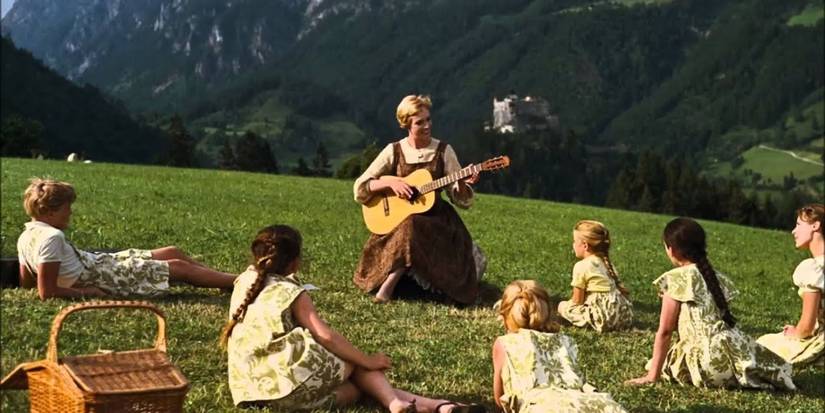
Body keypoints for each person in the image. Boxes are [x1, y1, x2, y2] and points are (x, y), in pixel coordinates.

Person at [222, 224, 485, 412]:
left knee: (356, 390)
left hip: (251, 391)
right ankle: (404, 404)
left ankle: (435, 406)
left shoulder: (244, 281)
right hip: (287, 384)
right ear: (294, 262)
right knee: (355, 364)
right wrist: (368, 360)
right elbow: (326, 336)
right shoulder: (292, 292)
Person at [625, 217, 795, 390]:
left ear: (672, 250)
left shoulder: (676, 279)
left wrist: (652, 375)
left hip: (706, 363)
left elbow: (666, 331)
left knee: (656, 363)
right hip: (732, 352)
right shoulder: (715, 277)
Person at [16, 178, 237, 300]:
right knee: (178, 267)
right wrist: (88, 292)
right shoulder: (52, 237)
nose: (70, 213)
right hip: (102, 276)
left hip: (97, 263)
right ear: (50, 212)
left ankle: (220, 280)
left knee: (172, 251)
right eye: (67, 208)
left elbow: (27, 279)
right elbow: (48, 292)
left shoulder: (27, 234)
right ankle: (239, 281)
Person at [353, 95, 480, 304]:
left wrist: (463, 183)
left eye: (428, 119)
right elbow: (361, 187)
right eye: (420, 122)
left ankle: (389, 286)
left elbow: (460, 199)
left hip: (437, 221)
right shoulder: (394, 151)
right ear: (406, 124)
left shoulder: (444, 151)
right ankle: (392, 281)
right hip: (399, 220)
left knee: (413, 224)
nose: (427, 125)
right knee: (409, 223)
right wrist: (391, 183)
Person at [492, 280, 627, 413]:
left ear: (505, 316)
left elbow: (499, 398)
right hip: (585, 402)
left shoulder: (505, 343)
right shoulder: (566, 341)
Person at [757, 204, 824, 366]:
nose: (794, 231)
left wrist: (796, 332)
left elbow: (807, 326)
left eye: (799, 225)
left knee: (763, 343)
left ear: (815, 226)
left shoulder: (813, 268)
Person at [557, 220, 633, 332]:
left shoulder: (581, 266)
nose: (573, 245)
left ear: (585, 245)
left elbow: (577, 301)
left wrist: (565, 306)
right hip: (623, 318)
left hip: (603, 318)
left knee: (562, 306)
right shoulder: (607, 263)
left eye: (574, 241)